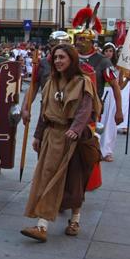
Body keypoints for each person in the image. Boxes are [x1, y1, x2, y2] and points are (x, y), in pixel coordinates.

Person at [21, 44, 102, 242]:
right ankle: (42, 226)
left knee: (74, 181)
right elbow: (44, 111)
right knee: (47, 178)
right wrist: (38, 135)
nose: (58, 61)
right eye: (55, 57)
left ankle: (75, 219)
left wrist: (75, 129)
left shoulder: (83, 82)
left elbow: (86, 108)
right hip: (52, 136)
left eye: (62, 57)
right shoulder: (50, 83)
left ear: (71, 59)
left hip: (73, 138)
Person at [72, 5, 123, 126]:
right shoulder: (71, 58)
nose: (78, 42)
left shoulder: (103, 61)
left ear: (91, 42)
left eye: (82, 39)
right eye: (78, 39)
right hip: (70, 107)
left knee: (89, 141)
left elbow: (115, 86)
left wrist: (119, 111)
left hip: (92, 108)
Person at [98, 43, 127, 162]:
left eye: (111, 51)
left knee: (110, 124)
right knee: (100, 122)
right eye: (106, 51)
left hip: (112, 95)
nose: (108, 53)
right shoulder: (99, 64)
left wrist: (127, 78)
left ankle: (107, 151)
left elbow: (119, 86)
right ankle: (96, 149)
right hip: (101, 94)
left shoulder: (117, 67)